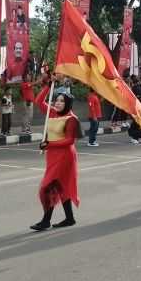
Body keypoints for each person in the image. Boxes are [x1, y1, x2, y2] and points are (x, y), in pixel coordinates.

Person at [30, 75, 81, 231]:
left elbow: (69, 141)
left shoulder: (71, 119)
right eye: (56, 100)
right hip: (52, 155)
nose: (58, 103)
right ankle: (70, 218)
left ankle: (46, 221)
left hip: (65, 156)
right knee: (60, 187)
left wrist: (49, 144)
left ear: (68, 104)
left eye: (61, 101)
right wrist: (48, 85)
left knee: (48, 187)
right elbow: (38, 101)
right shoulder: (51, 113)